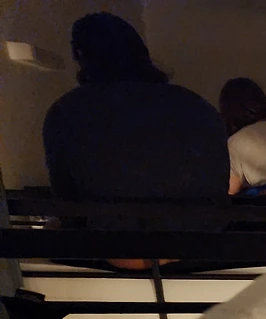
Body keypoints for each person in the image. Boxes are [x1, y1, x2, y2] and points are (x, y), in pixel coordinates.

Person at [42, 13, 227, 205]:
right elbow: (218, 190)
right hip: (203, 223)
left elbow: (66, 200)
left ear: (81, 56)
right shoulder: (196, 106)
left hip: (108, 223)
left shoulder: (68, 112)